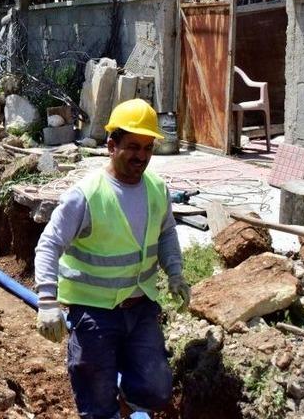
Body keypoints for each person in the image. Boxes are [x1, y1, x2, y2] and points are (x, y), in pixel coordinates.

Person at [33, 98, 191, 419]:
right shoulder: (87, 194)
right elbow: (49, 244)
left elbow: (167, 234)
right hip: (94, 314)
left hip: (141, 307)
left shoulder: (157, 189)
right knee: (97, 403)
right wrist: (47, 300)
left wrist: (175, 273)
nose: (142, 156)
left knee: (157, 389)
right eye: (133, 147)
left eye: (148, 148)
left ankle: (127, 402)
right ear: (111, 145)